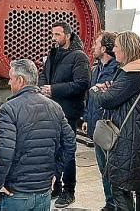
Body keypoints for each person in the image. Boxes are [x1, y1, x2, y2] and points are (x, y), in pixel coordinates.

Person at [0, 59, 76, 211]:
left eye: (11, 79)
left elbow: (4, 152)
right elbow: (70, 143)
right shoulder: (55, 107)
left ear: (20, 80)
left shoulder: (9, 109)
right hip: (43, 192)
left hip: (15, 193)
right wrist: (55, 172)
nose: (9, 83)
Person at [92, 31, 140, 210]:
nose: (114, 50)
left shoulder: (131, 74)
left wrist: (99, 91)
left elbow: (107, 100)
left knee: (121, 187)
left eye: (117, 47)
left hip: (128, 139)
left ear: (126, 50)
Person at [38, 21, 90, 208]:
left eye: (58, 35)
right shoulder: (53, 54)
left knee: (67, 151)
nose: (54, 38)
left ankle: (69, 190)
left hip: (68, 111)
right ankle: (56, 185)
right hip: (51, 108)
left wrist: (54, 90)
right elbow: (44, 73)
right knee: (53, 150)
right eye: (53, 34)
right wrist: (43, 88)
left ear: (68, 36)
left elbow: (82, 83)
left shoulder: (79, 57)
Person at [82, 31, 119, 211]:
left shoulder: (116, 71)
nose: (92, 47)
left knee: (111, 170)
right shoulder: (97, 69)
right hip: (97, 125)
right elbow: (91, 97)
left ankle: (115, 204)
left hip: (110, 127)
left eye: (96, 44)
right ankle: (109, 203)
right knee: (103, 169)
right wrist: (87, 118)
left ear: (104, 48)